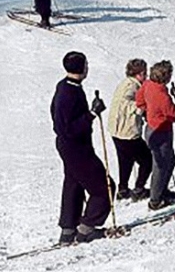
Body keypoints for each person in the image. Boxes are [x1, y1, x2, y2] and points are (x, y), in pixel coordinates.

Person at [50, 51, 112, 244]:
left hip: (72, 146)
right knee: (104, 187)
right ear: (82, 67)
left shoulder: (67, 86)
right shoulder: (68, 92)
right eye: (86, 64)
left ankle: (68, 230)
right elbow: (66, 128)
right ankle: (86, 229)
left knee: (74, 184)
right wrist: (91, 114)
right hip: (75, 147)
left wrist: (89, 113)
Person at [135, 61, 175, 211]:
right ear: (166, 77)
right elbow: (174, 116)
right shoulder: (163, 96)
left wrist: (146, 112)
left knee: (169, 161)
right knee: (161, 165)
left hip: (151, 128)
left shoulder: (148, 84)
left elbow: (139, 99)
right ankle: (155, 200)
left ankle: (162, 190)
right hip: (162, 131)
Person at [108, 59, 152, 201]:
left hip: (116, 130)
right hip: (127, 131)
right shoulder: (132, 86)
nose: (146, 76)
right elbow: (126, 103)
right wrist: (141, 108)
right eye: (144, 73)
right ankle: (139, 188)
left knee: (125, 159)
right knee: (147, 160)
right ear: (139, 74)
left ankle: (123, 188)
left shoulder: (125, 83)